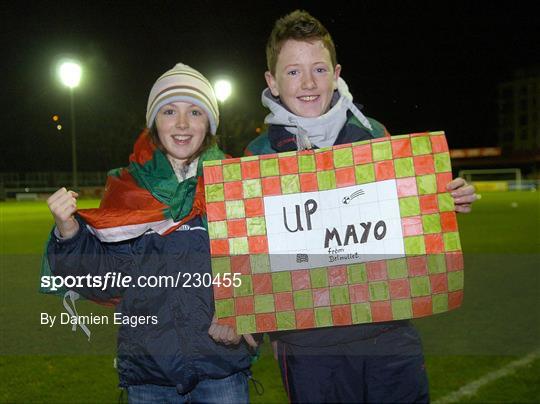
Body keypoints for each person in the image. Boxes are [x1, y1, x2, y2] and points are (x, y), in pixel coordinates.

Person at [244, 10, 477, 403]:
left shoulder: (374, 137)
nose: (308, 83)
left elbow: (406, 222)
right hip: (309, 345)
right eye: (293, 72)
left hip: (388, 331)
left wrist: (441, 201)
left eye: (318, 70)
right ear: (272, 80)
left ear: (336, 73)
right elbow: (247, 251)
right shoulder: (256, 158)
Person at [46, 63, 255, 403]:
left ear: (210, 124)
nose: (183, 124)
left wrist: (241, 310)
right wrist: (69, 234)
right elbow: (107, 279)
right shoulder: (126, 190)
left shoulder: (235, 183)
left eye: (196, 111)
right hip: (149, 375)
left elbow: (263, 262)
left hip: (221, 366)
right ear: (155, 121)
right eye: (170, 111)